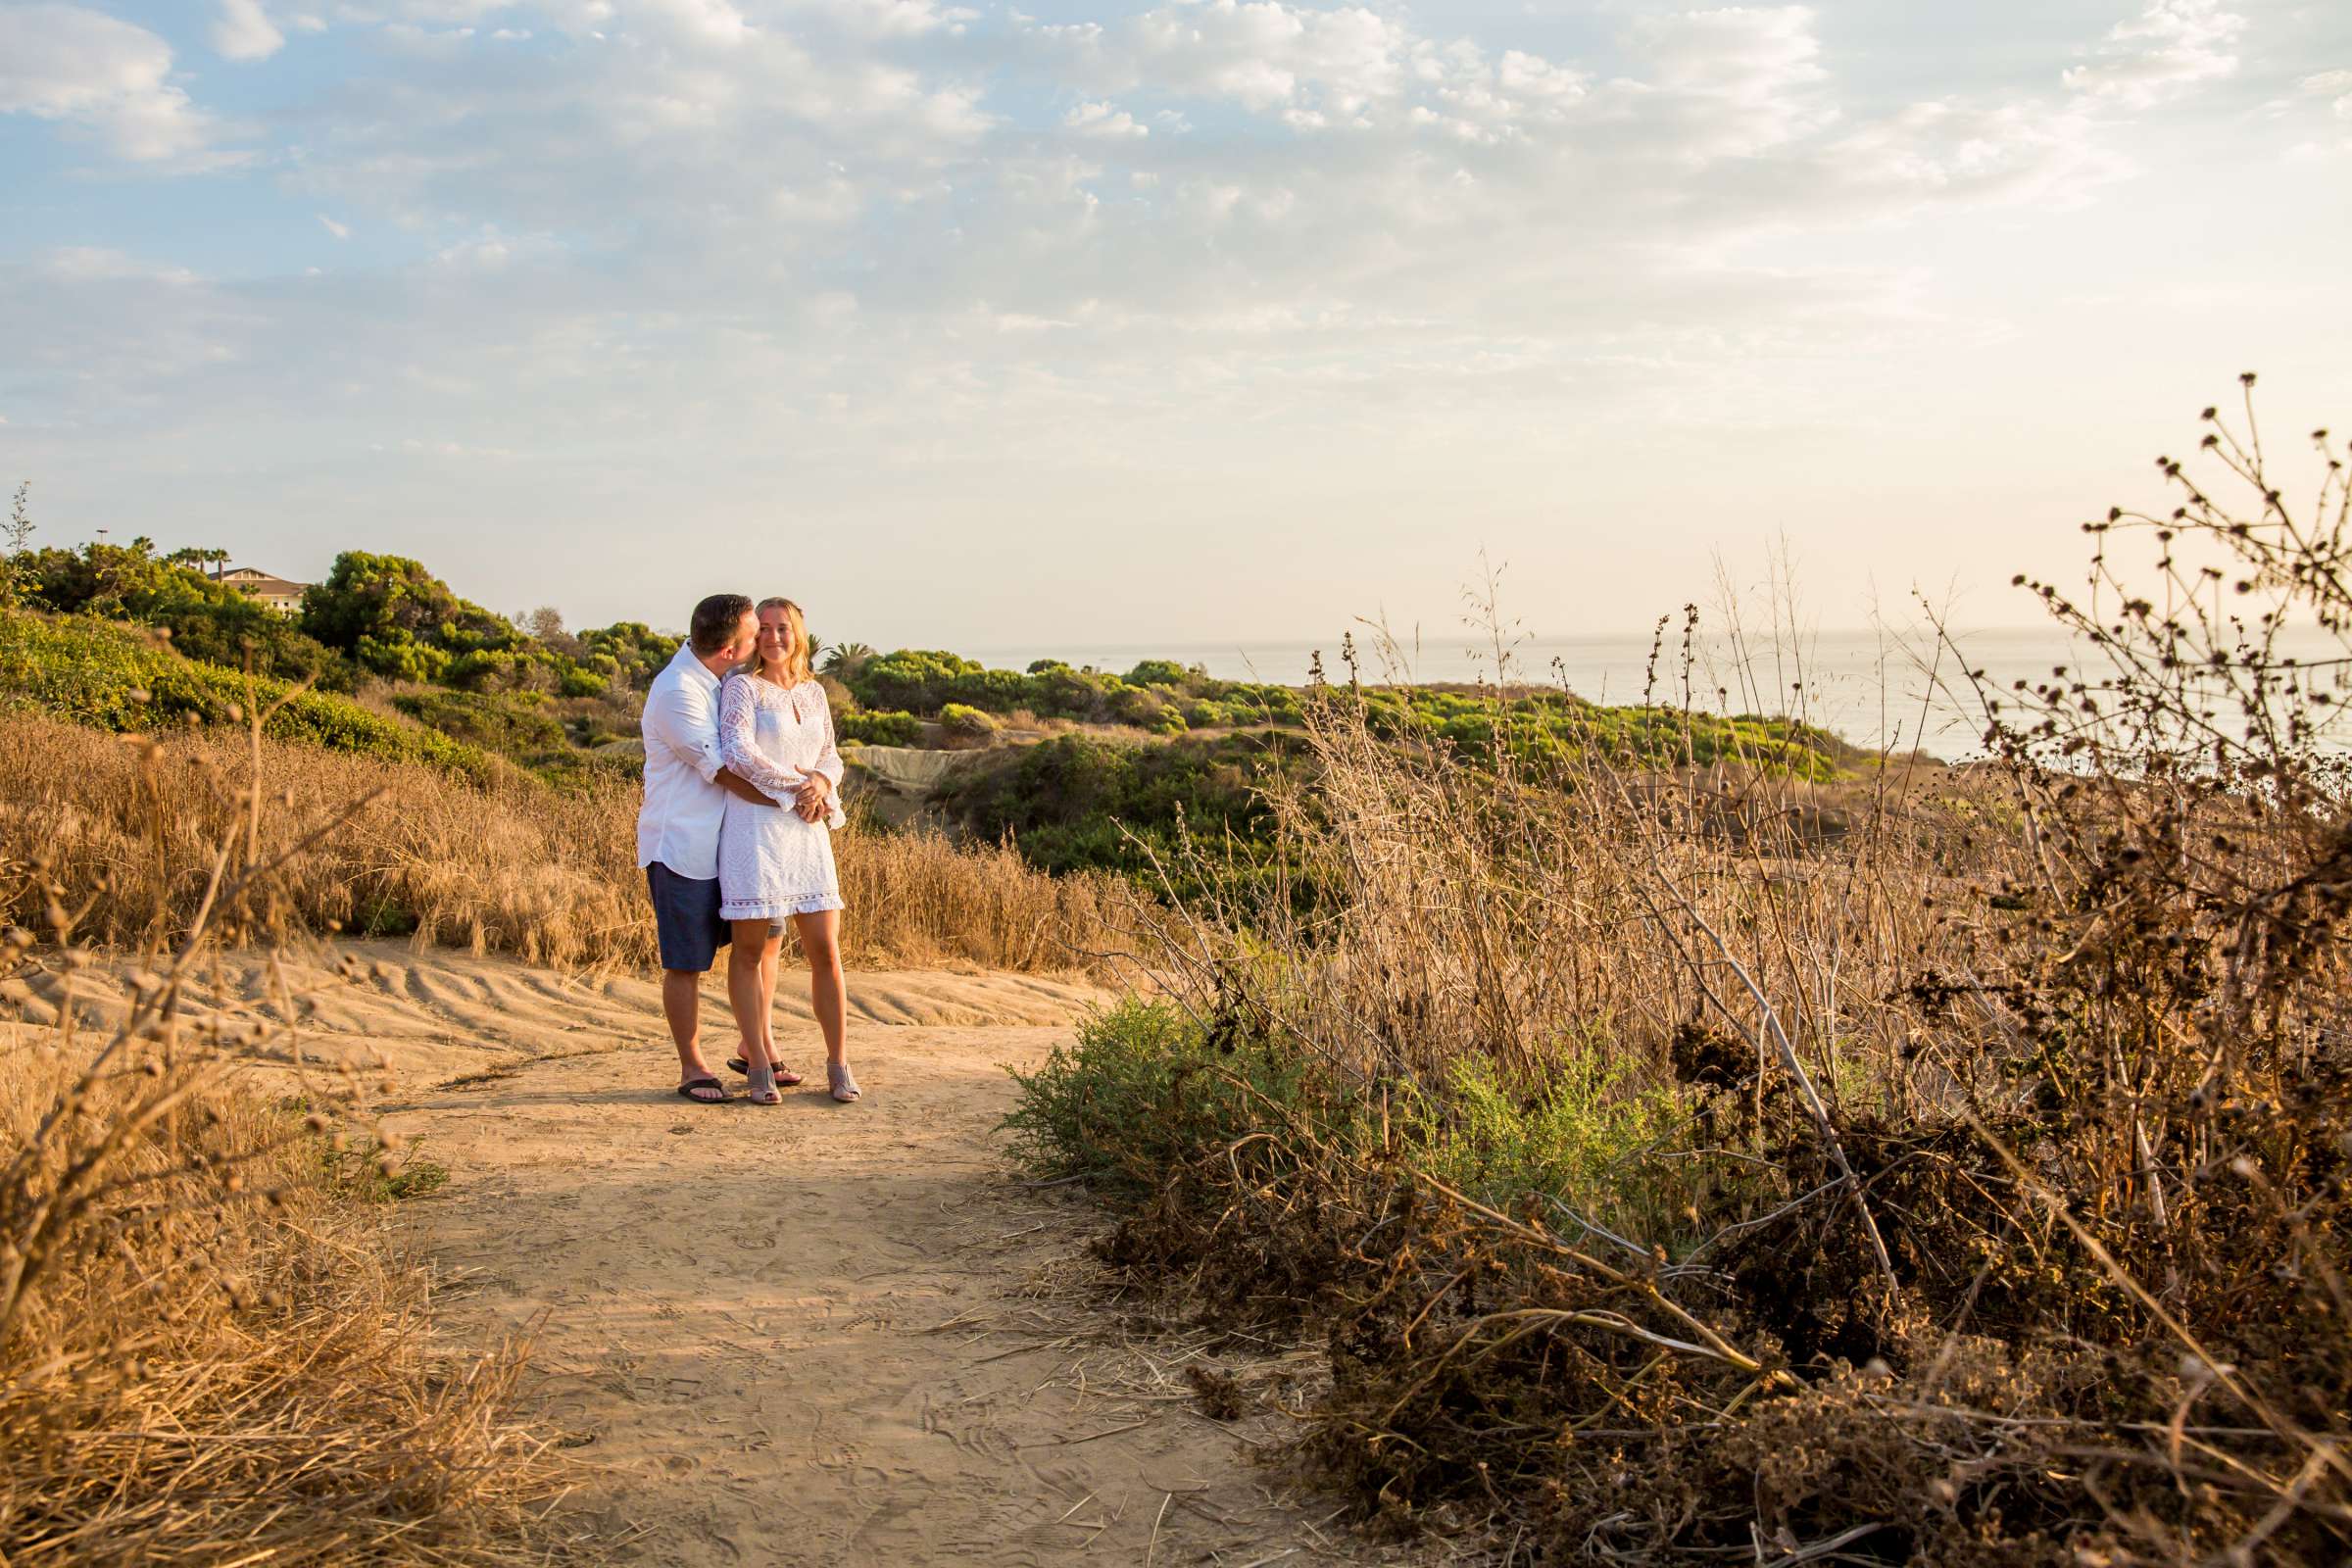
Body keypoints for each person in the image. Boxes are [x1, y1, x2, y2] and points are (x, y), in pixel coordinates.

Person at [637, 592, 787, 1104]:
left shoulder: (724, 682)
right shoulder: (678, 691)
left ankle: (755, 1046)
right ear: (729, 649)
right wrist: (792, 800)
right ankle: (692, 1065)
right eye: (753, 633)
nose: (762, 639)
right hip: (683, 846)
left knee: (764, 941)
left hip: (734, 841)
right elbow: (725, 769)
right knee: (687, 961)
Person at [715, 597, 859, 1105]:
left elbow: (830, 756)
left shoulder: (815, 692)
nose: (774, 637)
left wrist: (819, 783)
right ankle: (757, 1063)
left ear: (799, 634)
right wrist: (795, 788)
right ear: (755, 637)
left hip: (808, 829)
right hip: (756, 828)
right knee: (751, 951)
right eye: (767, 629)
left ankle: (838, 1065)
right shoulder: (741, 687)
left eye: (784, 628)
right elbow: (737, 751)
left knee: (825, 950)